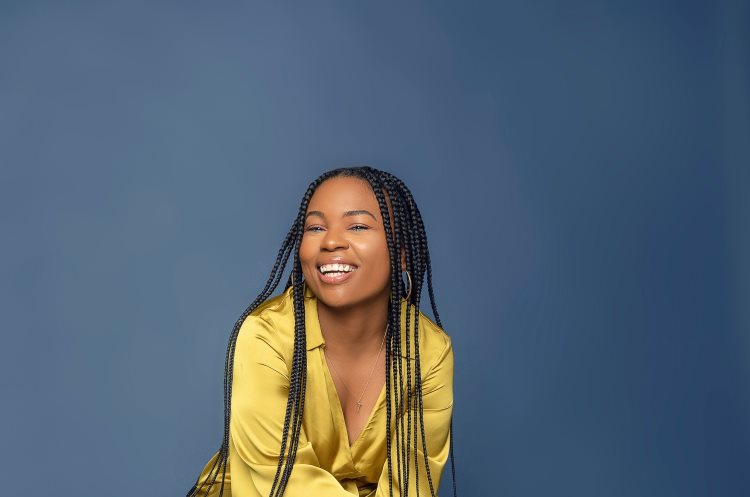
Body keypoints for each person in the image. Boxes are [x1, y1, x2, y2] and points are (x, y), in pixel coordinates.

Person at [186, 166, 457, 497]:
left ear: (401, 253)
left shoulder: (428, 351)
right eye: (315, 227)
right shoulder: (265, 337)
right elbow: (282, 484)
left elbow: (412, 487)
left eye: (357, 226)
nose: (330, 241)